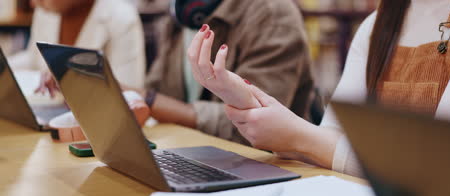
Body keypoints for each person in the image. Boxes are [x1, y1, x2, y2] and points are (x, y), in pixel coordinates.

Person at [186, 0, 450, 177]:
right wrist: (247, 100)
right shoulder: (376, 25)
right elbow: (331, 140)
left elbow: (439, 169)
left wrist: (296, 136)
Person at [141, 0, 319, 144]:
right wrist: (143, 100)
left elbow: (254, 125)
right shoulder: (181, 14)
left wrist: (148, 100)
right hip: (197, 154)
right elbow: (158, 90)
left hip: (267, 167)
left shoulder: (273, 14)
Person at [9, 0, 146, 94]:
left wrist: (74, 79)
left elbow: (130, 98)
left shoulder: (121, 17)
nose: (33, 3)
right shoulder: (46, 11)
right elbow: (34, 59)